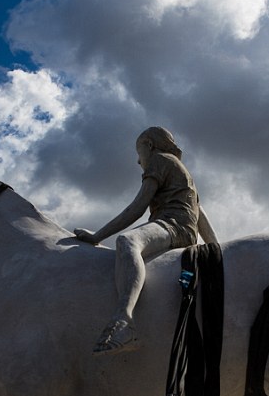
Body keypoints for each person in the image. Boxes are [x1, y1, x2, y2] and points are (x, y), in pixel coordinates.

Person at [74, 127, 217, 353]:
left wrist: (96, 236)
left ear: (149, 145)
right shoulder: (183, 172)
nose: (137, 161)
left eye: (138, 151)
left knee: (127, 242)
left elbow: (137, 208)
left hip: (171, 226)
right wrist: (215, 251)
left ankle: (124, 320)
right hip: (187, 233)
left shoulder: (159, 160)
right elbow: (200, 215)